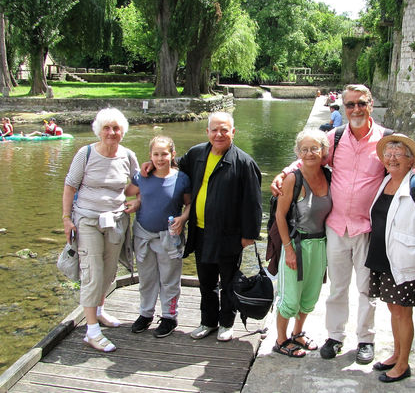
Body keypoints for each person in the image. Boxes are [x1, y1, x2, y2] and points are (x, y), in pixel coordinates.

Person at [271, 84, 415, 365]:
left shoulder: (385, 140)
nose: (355, 110)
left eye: (361, 103)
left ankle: (366, 339)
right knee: (337, 288)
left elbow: (408, 166)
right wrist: (285, 172)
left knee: (366, 289)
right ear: (343, 107)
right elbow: (309, 155)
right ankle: (335, 336)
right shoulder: (335, 137)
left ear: (370, 104)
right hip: (336, 227)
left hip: (368, 229)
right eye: (349, 105)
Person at [143, 112, 262, 342]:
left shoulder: (244, 163)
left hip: (229, 235)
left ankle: (227, 322)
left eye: (224, 130)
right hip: (201, 232)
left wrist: (249, 235)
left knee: (228, 282)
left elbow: (253, 203)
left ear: (233, 132)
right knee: (206, 282)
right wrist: (152, 165)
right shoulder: (197, 154)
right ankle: (208, 321)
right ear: (207, 132)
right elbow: (172, 167)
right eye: (214, 130)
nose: (219, 134)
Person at [62, 108, 139, 352]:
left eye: (116, 128)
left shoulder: (127, 155)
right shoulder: (85, 154)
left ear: (122, 132)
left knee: (108, 270)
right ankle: (92, 331)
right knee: (92, 271)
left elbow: (137, 185)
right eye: (107, 128)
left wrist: (138, 201)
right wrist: (66, 218)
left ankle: (100, 311)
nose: (111, 132)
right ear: (99, 130)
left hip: (116, 219)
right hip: (86, 219)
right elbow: (70, 186)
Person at [367, 134, 415, 383]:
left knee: (403, 312)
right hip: (384, 256)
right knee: (392, 308)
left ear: (411, 161)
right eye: (388, 154)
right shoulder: (386, 180)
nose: (392, 158)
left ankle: (403, 365)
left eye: (398, 155)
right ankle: (396, 354)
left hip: (406, 259)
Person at [272, 129, 332, 358]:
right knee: (290, 298)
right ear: (298, 152)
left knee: (309, 295)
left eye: (314, 148)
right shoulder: (292, 179)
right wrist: (288, 250)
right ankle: (280, 340)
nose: (309, 153)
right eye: (304, 149)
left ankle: (298, 333)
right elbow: (280, 216)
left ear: (323, 151)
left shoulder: (328, 176)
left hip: (319, 245)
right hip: (296, 244)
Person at [125, 136, 191, 338]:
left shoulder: (181, 179)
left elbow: (189, 203)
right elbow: (129, 192)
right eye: (156, 154)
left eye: (164, 154)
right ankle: (146, 313)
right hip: (143, 234)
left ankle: (169, 316)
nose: (160, 158)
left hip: (169, 236)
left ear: (172, 154)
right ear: (150, 156)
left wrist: (183, 218)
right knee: (146, 278)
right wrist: (137, 201)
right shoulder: (142, 176)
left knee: (169, 278)